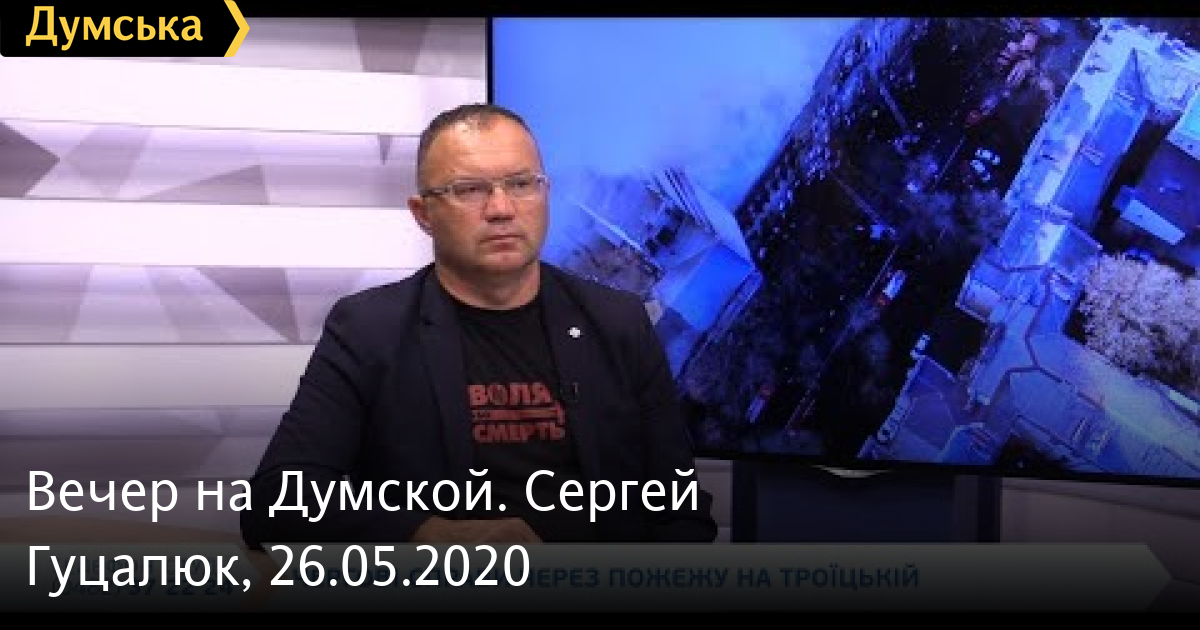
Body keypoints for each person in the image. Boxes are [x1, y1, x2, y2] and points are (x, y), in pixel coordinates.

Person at [240, 103, 717, 547]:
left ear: (545, 193)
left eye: (521, 184)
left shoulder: (618, 323)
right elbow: (275, 503)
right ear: (423, 215)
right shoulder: (369, 329)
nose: (501, 208)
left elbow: (681, 511)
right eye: (469, 190)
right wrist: (429, 535)